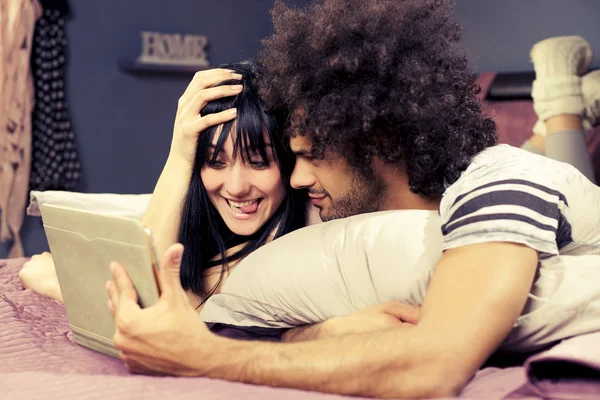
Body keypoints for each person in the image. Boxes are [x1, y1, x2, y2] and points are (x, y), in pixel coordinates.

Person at [105, 1, 600, 399]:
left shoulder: (497, 184)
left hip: (540, 182)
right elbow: (201, 285)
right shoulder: (354, 212)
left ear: (378, 139)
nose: (296, 178)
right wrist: (318, 333)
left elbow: (434, 365)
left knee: (552, 164)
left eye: (312, 154)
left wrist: (204, 357)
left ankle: (561, 107)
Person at [19, 62, 309, 310]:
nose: (235, 187)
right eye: (215, 162)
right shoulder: (210, 228)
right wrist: (181, 154)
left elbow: (157, 315)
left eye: (258, 162)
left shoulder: (286, 255)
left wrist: (59, 283)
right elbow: (144, 275)